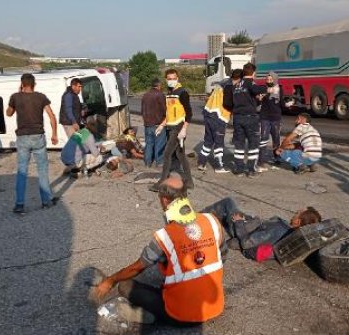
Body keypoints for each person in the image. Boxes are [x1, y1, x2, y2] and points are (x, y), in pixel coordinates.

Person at [94, 176, 225, 325]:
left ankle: (145, 316)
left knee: (126, 285)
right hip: (214, 307)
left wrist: (110, 280)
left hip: (181, 316)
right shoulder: (212, 221)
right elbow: (222, 255)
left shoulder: (166, 235)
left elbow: (137, 267)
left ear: (164, 200)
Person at [202, 197, 321, 262]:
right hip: (251, 227)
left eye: (297, 213)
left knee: (228, 202)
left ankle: (198, 219)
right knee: (229, 213)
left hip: (244, 232)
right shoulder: (288, 230)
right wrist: (245, 218)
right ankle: (214, 221)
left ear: (298, 222)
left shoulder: (279, 228)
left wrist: (238, 222)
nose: (294, 213)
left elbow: (247, 242)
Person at [6, 74, 59, 213]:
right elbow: (52, 116)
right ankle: (46, 201)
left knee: (22, 171)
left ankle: (19, 204)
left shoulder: (15, 97)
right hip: (38, 137)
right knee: (42, 170)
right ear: (34, 84)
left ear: (22, 84)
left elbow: (9, 113)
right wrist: (54, 134)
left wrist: (18, 94)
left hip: (23, 138)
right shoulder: (41, 97)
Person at [150, 69, 194, 191]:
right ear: (165, 79)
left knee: (167, 154)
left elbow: (189, 113)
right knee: (181, 155)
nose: (171, 81)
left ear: (178, 78)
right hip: (170, 127)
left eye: (173, 78)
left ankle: (162, 183)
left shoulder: (182, 93)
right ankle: (189, 182)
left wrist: (184, 129)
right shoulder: (168, 93)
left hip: (179, 127)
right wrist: (162, 125)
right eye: (169, 79)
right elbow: (169, 114)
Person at [223, 63, 267, 178]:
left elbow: (239, 100)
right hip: (250, 118)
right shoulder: (249, 83)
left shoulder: (237, 85)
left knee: (239, 144)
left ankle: (239, 169)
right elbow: (257, 89)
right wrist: (269, 87)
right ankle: (251, 169)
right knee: (253, 143)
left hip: (237, 118)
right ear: (253, 73)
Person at [196, 70, 237, 174]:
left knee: (208, 141)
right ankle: (219, 166)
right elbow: (228, 103)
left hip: (208, 113)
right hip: (219, 117)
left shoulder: (222, 83)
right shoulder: (229, 87)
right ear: (238, 79)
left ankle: (201, 162)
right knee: (219, 142)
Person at [258, 74, 283, 171]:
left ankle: (277, 157)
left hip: (276, 117)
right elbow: (259, 100)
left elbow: (281, 103)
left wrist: (287, 105)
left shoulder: (279, 89)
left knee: (276, 138)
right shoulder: (263, 89)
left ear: (275, 79)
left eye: (271, 79)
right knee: (263, 138)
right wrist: (260, 99)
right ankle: (261, 161)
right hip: (265, 117)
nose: (269, 80)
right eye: (267, 79)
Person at [141, 78, 167, 167]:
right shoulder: (160, 95)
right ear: (159, 85)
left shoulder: (145, 95)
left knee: (149, 144)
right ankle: (159, 162)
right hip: (158, 124)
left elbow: (142, 110)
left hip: (147, 124)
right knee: (159, 144)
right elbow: (165, 110)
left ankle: (147, 163)